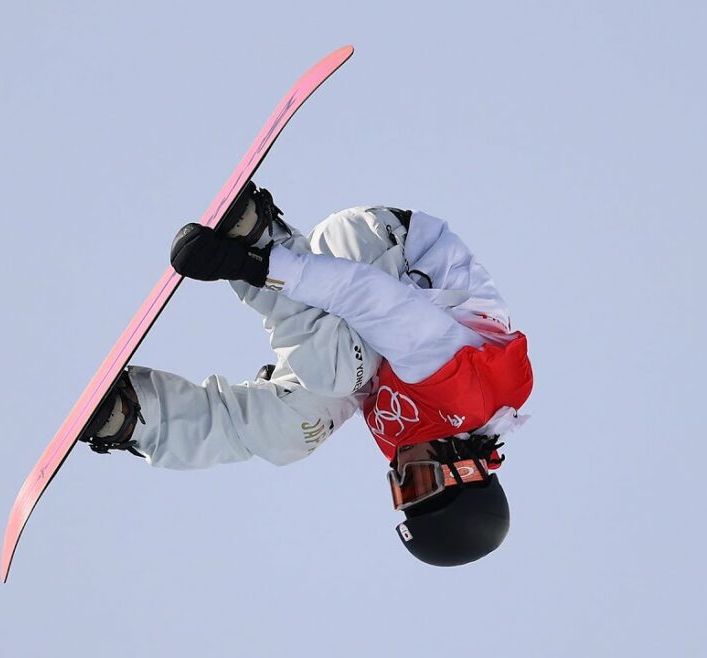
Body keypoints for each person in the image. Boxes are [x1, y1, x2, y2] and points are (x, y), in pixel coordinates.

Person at [79, 182, 533, 566]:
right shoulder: (470, 397)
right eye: (422, 481)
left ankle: (133, 414)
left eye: (402, 490)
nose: (403, 471)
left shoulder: (412, 440)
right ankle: (255, 236)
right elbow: (377, 301)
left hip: (364, 329)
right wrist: (256, 266)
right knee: (336, 371)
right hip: (387, 253)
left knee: (294, 434)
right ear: (466, 469)